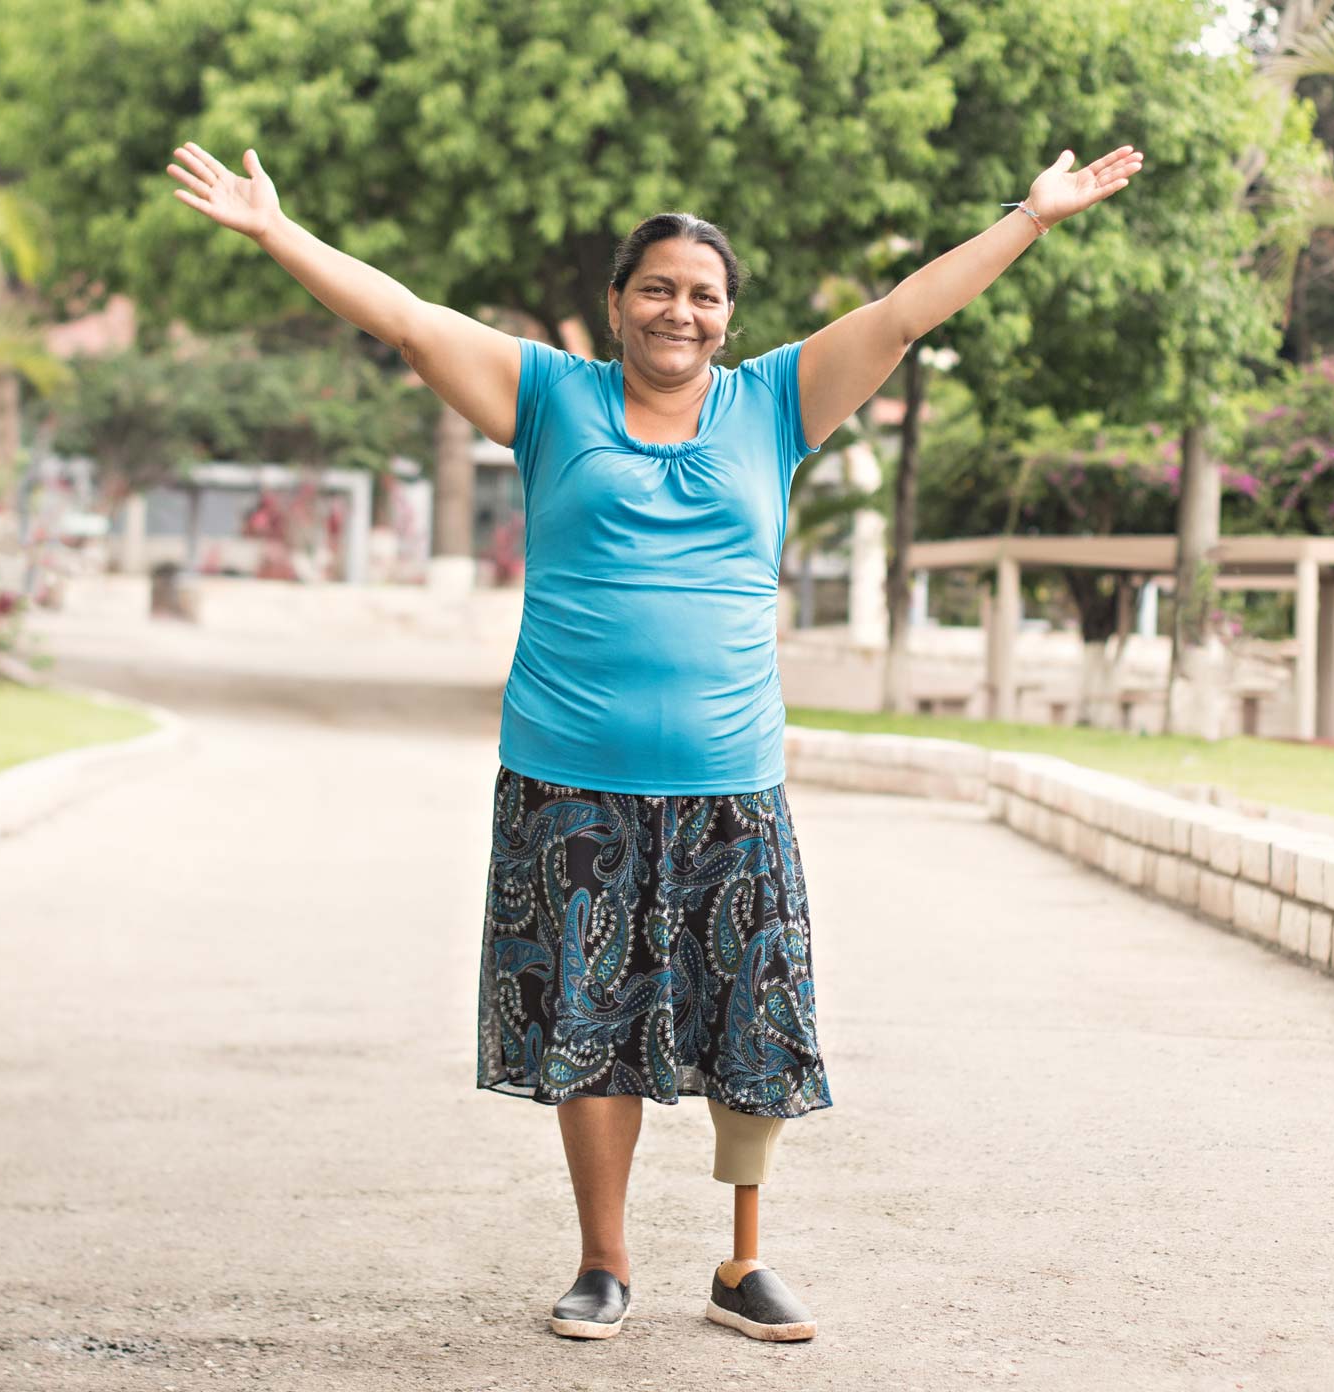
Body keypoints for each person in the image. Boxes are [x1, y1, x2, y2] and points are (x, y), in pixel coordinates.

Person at [167, 138, 1141, 1343]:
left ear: (728, 320)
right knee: (593, 1022)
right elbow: (413, 324)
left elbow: (898, 318)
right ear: (621, 304)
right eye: (659, 287)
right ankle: (605, 1262)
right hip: (571, 772)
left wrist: (1029, 219)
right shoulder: (549, 397)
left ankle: (742, 1262)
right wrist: (277, 232)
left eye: (705, 294)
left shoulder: (775, 404)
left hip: (732, 779)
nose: (680, 309)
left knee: (754, 1012)